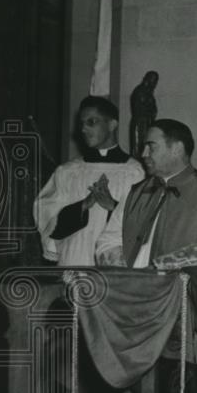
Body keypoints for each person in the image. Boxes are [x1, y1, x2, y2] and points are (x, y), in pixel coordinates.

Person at [95, 118, 197, 272]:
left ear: (177, 149)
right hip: (131, 289)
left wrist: (159, 268)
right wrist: (128, 275)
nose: (143, 154)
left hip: (179, 292)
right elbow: (108, 240)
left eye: (151, 147)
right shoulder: (136, 193)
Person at [34, 96, 145, 266]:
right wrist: (82, 206)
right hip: (73, 261)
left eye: (91, 122)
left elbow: (143, 226)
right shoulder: (68, 172)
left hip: (114, 266)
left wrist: (113, 207)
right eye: (82, 124)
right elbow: (47, 219)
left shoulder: (134, 172)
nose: (84, 129)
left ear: (112, 124)